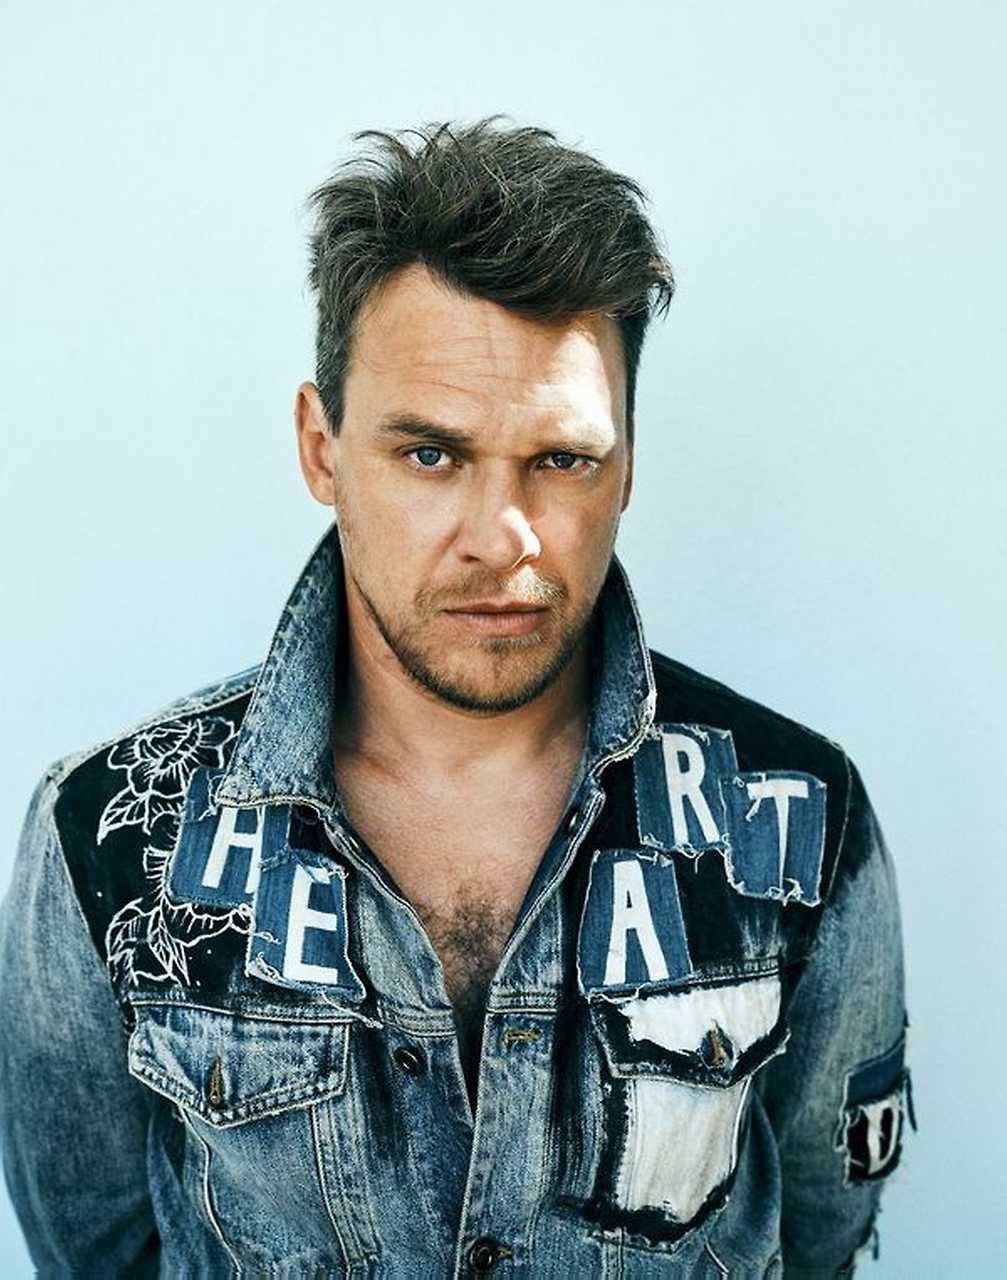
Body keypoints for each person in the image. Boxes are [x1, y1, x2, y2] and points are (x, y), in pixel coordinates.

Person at [0, 118, 912, 1277]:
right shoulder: (112, 834)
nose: (501, 537)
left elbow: (818, 1228)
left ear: (626, 463)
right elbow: (94, 1242)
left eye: (560, 459)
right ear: (321, 448)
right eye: (430, 454)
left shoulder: (795, 818)